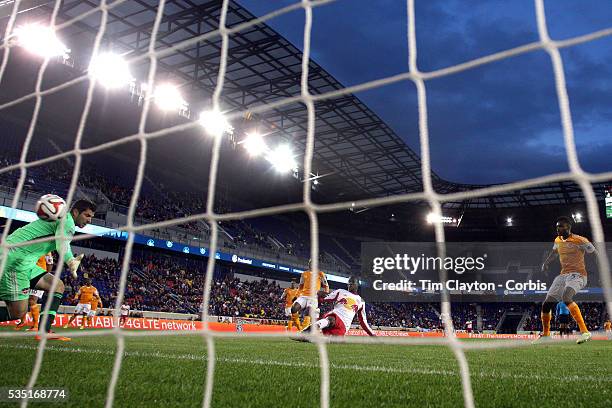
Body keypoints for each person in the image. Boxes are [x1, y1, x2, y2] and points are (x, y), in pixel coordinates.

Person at [0, 199, 96, 341]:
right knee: (18, 313)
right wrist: (70, 260)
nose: (89, 220)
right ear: (75, 212)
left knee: (57, 285)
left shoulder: (60, 219)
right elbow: (62, 244)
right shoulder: (67, 222)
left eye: (91, 217)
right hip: (15, 260)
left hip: (24, 261)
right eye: (87, 215)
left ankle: (44, 331)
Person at [535, 216, 596, 345]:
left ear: (568, 227)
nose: (558, 229)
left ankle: (585, 332)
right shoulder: (557, 240)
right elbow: (554, 252)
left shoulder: (580, 240)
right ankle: (546, 335)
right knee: (546, 304)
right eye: (557, 226)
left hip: (578, 274)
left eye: (561, 226)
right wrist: (545, 263)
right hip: (563, 275)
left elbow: (595, 253)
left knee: (566, 297)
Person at [302, 277, 374, 337]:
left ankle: (312, 337)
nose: (349, 285)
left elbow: (363, 321)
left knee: (333, 341)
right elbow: (325, 299)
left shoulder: (361, 301)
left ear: (357, 285)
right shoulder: (340, 291)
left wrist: (373, 335)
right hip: (336, 315)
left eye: (352, 284)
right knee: (331, 319)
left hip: (344, 326)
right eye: (349, 284)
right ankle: (306, 331)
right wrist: (319, 295)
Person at [14, 252, 54, 331]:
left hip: (38, 276)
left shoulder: (46, 250)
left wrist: (46, 275)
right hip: (27, 276)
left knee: (32, 300)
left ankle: (35, 325)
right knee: (23, 299)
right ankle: (23, 321)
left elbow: (50, 263)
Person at [290, 260, 329, 331]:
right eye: (309, 263)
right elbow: (300, 286)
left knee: (307, 311)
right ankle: (300, 329)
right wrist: (296, 295)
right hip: (303, 296)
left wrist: (326, 295)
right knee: (293, 309)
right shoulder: (304, 274)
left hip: (313, 297)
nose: (310, 264)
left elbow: (326, 286)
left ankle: (303, 331)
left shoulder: (321, 274)